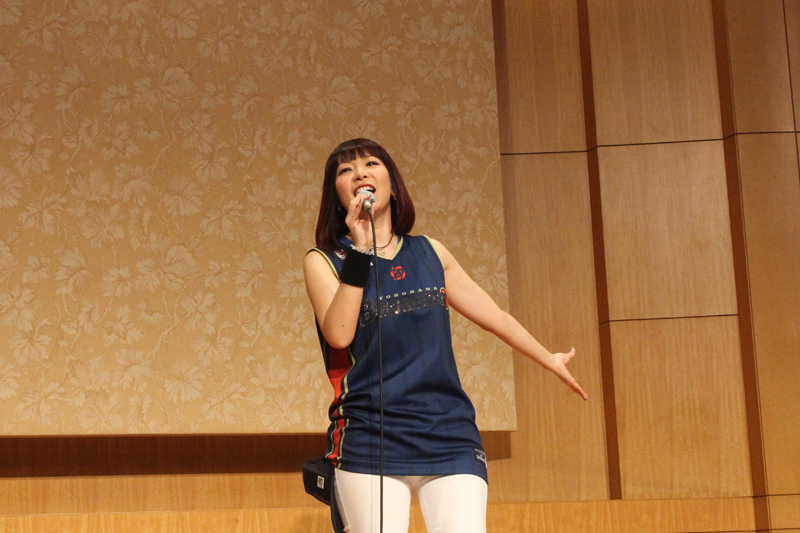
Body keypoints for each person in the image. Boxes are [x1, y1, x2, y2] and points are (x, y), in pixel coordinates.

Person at [303, 138, 587, 533]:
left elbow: (496, 317)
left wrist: (549, 358)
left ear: (392, 185)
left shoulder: (431, 252)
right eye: (346, 170)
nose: (360, 174)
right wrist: (361, 251)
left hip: (449, 433)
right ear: (337, 195)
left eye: (370, 164)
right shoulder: (324, 261)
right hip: (370, 438)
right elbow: (338, 334)